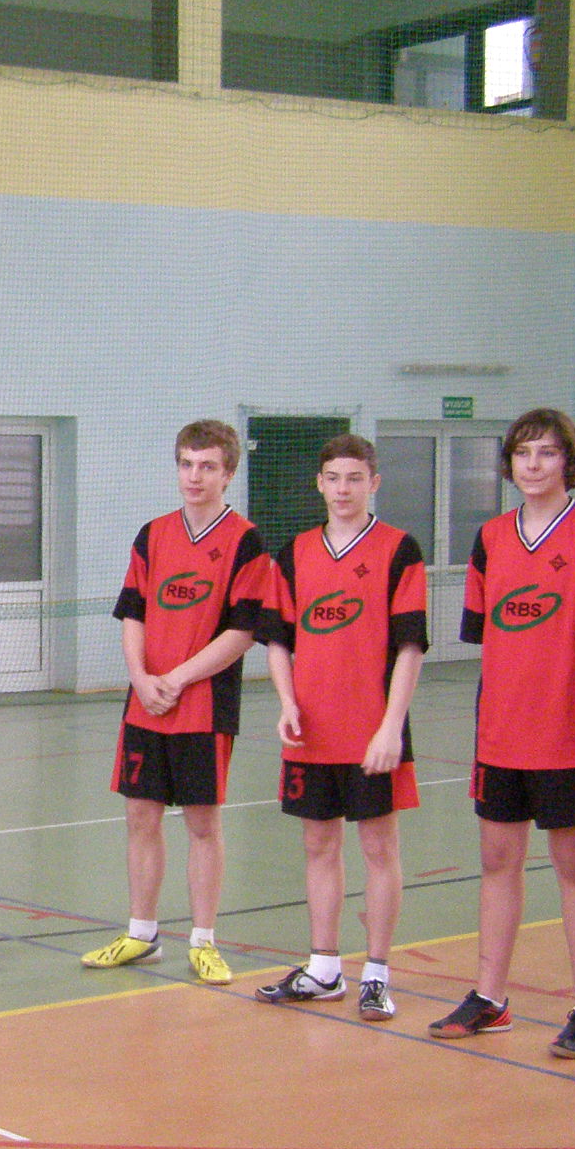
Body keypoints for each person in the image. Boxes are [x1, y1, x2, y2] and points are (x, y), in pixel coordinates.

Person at [82, 419, 267, 986]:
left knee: (203, 823)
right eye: (186, 464)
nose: (194, 476)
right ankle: (141, 934)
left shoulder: (246, 541)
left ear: (228, 474)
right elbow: (132, 613)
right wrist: (140, 678)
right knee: (140, 816)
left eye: (207, 466)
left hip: (205, 705)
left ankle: (204, 941)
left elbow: (243, 631)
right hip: (146, 703)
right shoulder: (154, 534)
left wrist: (177, 679)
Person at [431, 408, 575, 1058]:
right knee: (497, 862)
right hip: (499, 732)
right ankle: (490, 998)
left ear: (567, 463)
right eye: (523, 452)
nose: (533, 464)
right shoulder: (491, 538)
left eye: (547, 453)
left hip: (568, 733)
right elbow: (483, 633)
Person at [254, 435, 426, 1019]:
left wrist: (391, 727)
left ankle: (376, 974)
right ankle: (324, 968)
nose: (343, 489)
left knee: (379, 847)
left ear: (373, 483)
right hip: (313, 732)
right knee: (318, 844)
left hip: (373, 733)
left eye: (355, 478)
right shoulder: (294, 553)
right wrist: (287, 702)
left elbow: (410, 647)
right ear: (319, 484)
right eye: (333, 478)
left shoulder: (399, 550)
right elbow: (278, 640)